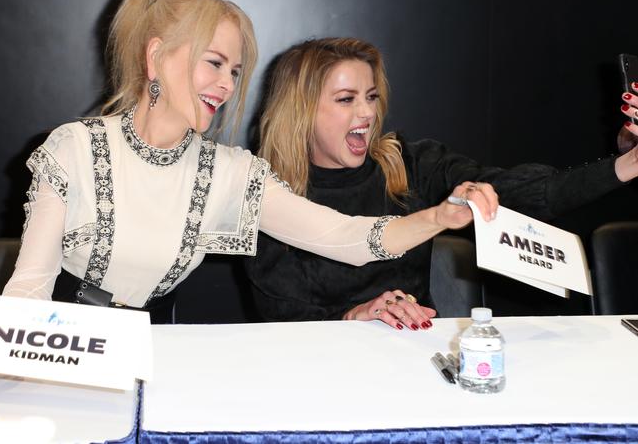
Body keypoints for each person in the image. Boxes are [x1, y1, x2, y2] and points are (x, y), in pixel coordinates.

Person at [1, 0, 498, 324]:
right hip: (61, 342)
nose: (226, 85)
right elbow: (29, 289)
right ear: (155, 57)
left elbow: (343, 235)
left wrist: (437, 217)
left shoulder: (229, 173)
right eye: (213, 63)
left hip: (151, 352)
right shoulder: (74, 148)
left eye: (235, 72)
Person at [246, 37, 638, 329]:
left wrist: (624, 165)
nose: (367, 112)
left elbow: (525, 193)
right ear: (301, 111)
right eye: (347, 99)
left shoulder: (412, 163)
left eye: (371, 96)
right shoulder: (269, 194)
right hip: (318, 371)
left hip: (414, 360)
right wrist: (356, 316)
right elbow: (283, 317)